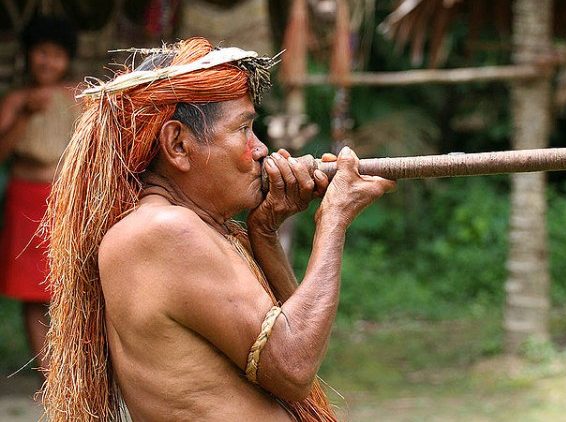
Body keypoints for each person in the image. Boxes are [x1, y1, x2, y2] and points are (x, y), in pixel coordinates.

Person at [41, 37, 395, 421]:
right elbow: (294, 369)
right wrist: (334, 218)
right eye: (244, 130)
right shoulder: (165, 231)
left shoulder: (181, 227)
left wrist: (263, 234)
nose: (261, 150)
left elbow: (296, 342)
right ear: (178, 145)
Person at [0, 15, 78, 374]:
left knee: (69, 283)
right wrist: (25, 115)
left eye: (56, 54)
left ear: (68, 59)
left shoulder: (78, 96)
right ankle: (49, 376)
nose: (48, 61)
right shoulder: (16, 100)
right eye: (41, 53)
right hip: (25, 199)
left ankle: (72, 369)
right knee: (32, 291)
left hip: (65, 198)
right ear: (29, 55)